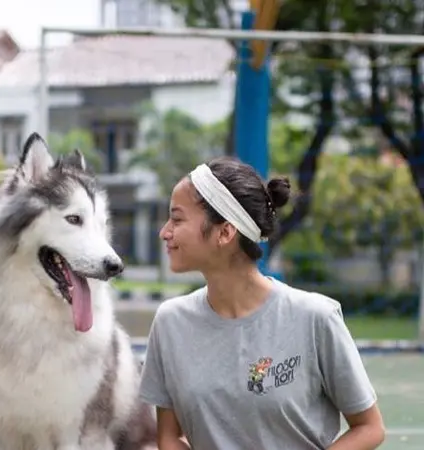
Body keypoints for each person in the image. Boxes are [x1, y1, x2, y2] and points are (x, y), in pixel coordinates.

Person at [139, 157, 385, 450]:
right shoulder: (170, 322)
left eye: (177, 219)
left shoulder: (316, 317)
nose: (164, 232)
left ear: (225, 233)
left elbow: (370, 428)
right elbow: (169, 437)